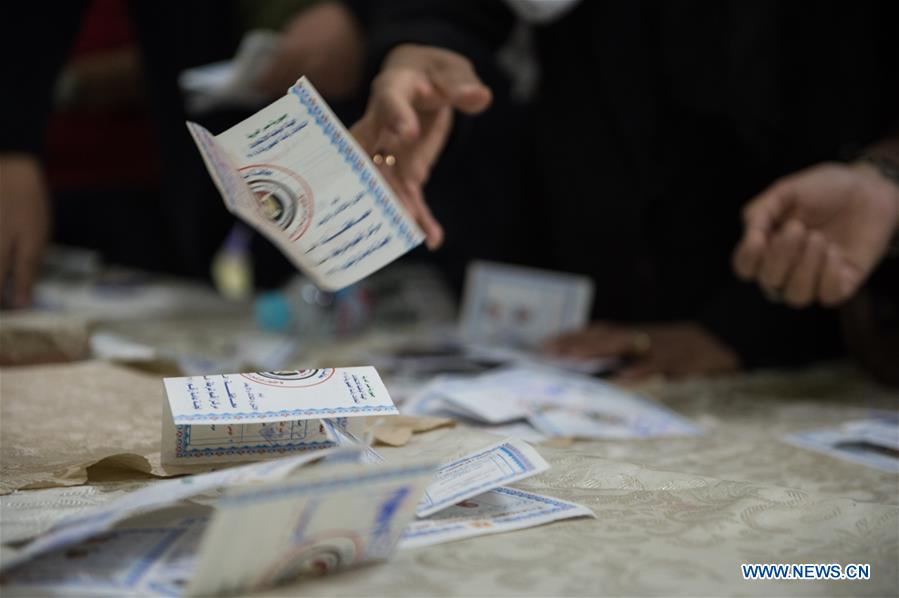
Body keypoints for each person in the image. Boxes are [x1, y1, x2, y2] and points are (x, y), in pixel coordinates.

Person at [351, 0, 899, 378]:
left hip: (815, 316)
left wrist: (885, 176)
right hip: (588, 299)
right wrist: (420, 46)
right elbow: (456, 14)